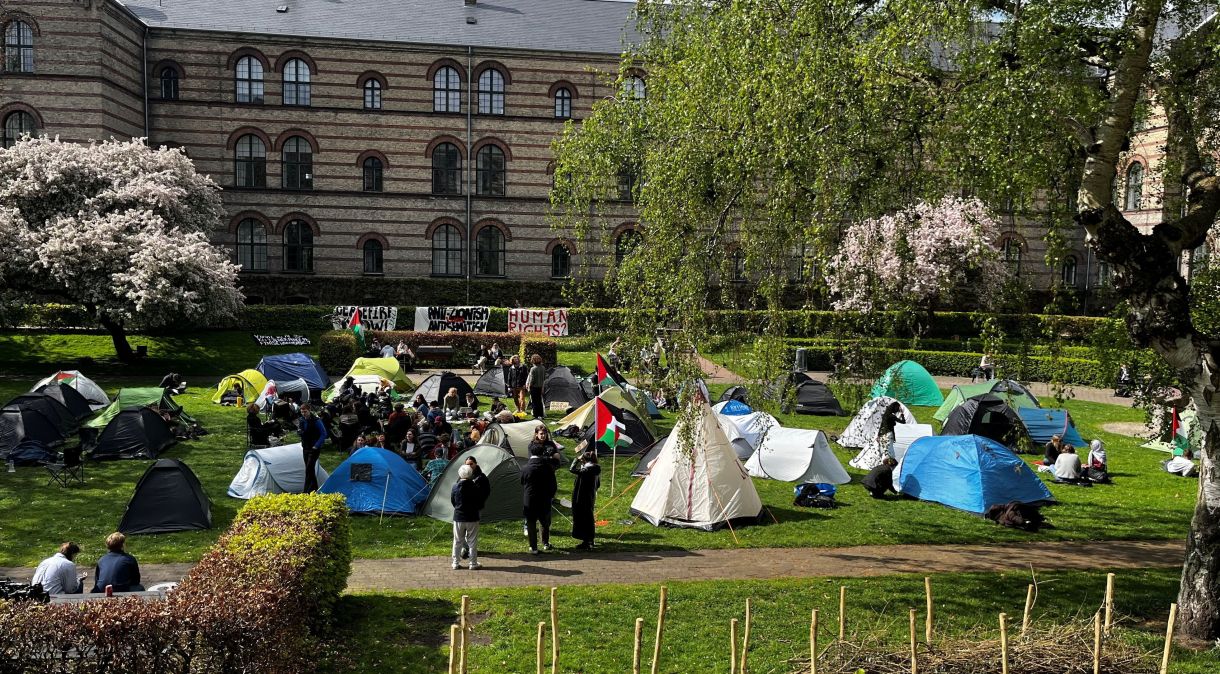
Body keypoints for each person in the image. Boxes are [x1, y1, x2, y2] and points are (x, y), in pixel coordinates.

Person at [521, 444, 560, 554]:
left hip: (530, 499)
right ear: (542, 453)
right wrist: (551, 495)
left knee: (531, 523)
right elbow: (553, 485)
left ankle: (533, 547)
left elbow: (522, 481)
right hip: (544, 498)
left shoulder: (525, 468)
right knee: (544, 522)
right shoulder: (548, 467)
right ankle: (545, 543)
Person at [451, 465, 486, 570]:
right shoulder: (475, 487)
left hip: (459, 517)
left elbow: (453, 501)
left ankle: (455, 563)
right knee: (472, 541)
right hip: (472, 517)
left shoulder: (455, 486)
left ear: (459, 474)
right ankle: (473, 563)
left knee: (457, 541)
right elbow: (480, 502)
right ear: (471, 474)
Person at [459, 456, 492, 560]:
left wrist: (477, 502)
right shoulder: (462, 476)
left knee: (472, 531)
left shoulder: (482, 478)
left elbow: (486, 493)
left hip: (476, 508)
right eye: (467, 464)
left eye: (471, 464)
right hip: (463, 509)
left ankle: (471, 551)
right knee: (461, 531)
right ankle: (466, 548)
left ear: (476, 464)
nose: (469, 466)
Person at [569, 450, 601, 550]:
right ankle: (590, 540)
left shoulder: (585, 470)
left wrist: (576, 460)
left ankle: (586, 540)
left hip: (581, 497)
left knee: (583, 519)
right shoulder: (596, 469)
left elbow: (572, 469)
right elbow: (598, 484)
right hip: (590, 496)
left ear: (584, 459)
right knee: (589, 518)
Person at [298, 404, 327, 492]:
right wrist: (299, 432)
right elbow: (301, 431)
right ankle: (314, 489)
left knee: (309, 469)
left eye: (305, 411)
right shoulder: (301, 420)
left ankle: (306, 491)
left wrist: (316, 445)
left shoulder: (316, 421)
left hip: (314, 448)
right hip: (305, 447)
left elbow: (324, 434)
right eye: (302, 412)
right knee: (309, 469)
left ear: (309, 410)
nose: (303, 413)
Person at [526, 354, 547, 420]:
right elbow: (544, 379)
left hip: (534, 387)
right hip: (540, 386)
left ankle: (536, 415)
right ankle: (541, 415)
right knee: (540, 401)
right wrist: (543, 388)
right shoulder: (543, 368)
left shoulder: (533, 369)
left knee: (534, 402)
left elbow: (532, 379)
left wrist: (529, 386)